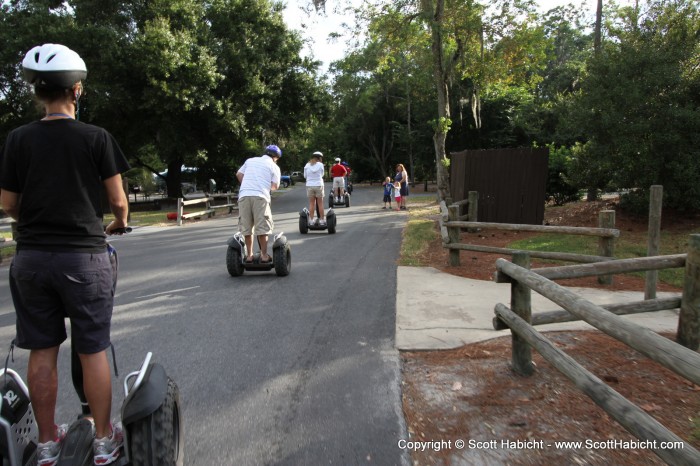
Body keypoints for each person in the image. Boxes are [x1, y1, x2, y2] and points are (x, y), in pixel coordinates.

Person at [0, 43, 129, 466]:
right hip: (83, 259)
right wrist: (113, 225)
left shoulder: (18, 139)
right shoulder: (96, 138)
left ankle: (48, 443)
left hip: (32, 259)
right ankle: (105, 440)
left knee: (41, 350)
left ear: (38, 92)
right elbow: (120, 204)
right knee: (91, 348)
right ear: (77, 91)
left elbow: (8, 203)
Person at [236, 145, 282, 263]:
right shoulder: (274, 166)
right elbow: (275, 186)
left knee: (247, 227)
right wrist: (266, 187)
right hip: (260, 196)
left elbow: (239, 174)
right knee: (262, 227)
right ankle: (264, 256)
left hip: (244, 195)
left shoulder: (250, 160)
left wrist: (247, 185)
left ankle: (249, 255)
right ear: (276, 157)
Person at [304, 151, 326, 226]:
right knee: (320, 203)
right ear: (319, 158)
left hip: (309, 185)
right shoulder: (320, 165)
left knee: (311, 203)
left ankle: (311, 220)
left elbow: (305, 176)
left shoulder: (307, 165)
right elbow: (322, 174)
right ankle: (322, 220)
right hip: (318, 185)